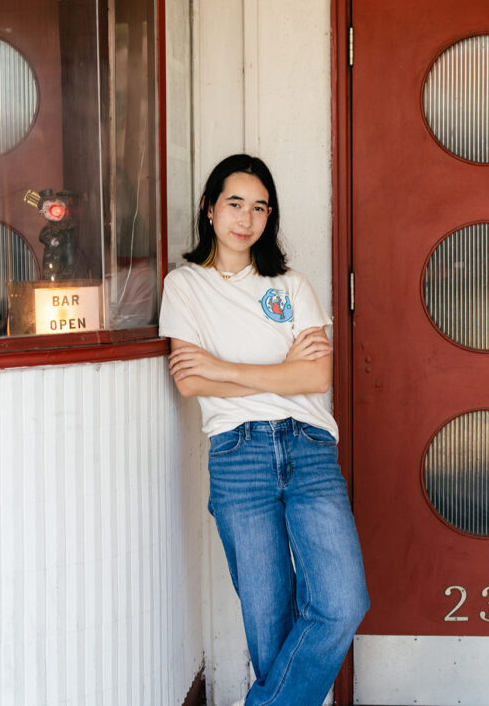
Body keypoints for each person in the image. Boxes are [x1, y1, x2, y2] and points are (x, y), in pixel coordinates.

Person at [159, 154, 369, 706]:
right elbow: (188, 382)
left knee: (343, 602)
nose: (246, 219)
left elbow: (316, 375)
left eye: (259, 207)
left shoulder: (291, 285)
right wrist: (281, 375)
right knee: (269, 624)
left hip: (309, 448)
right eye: (234, 204)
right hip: (238, 456)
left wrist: (224, 369)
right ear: (210, 209)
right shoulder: (184, 286)